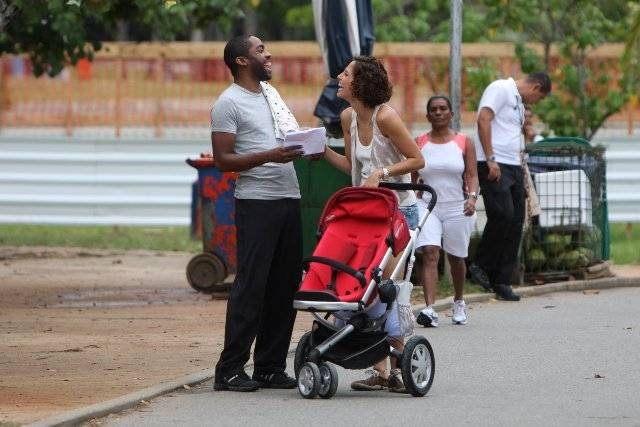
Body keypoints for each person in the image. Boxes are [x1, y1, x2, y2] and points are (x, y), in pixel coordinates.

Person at [323, 56, 424, 393]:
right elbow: (352, 166)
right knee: (359, 289)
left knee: (383, 291)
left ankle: (397, 365)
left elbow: (416, 159)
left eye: (346, 73)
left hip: (398, 215)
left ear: (361, 82)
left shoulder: (386, 117)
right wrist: (320, 151)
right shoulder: (348, 117)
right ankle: (381, 372)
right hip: (365, 218)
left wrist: (384, 172)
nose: (339, 77)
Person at [211, 35, 305, 392]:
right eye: (260, 51)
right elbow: (222, 160)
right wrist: (270, 156)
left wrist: (303, 147)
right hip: (257, 201)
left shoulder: (271, 96)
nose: (269, 55)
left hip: (288, 195)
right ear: (241, 61)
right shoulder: (228, 103)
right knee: (252, 285)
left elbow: (284, 139)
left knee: (284, 285)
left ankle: (269, 366)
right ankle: (231, 369)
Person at [468, 72, 551, 301]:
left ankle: (501, 280)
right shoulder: (501, 88)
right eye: (539, 98)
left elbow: (509, 131)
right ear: (535, 88)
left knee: (516, 222)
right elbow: (483, 119)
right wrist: (491, 158)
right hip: (494, 163)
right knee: (502, 214)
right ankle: (480, 265)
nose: (536, 102)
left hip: (514, 165)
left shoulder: (518, 103)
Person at [412, 95, 478, 327]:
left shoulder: (464, 142)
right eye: (433, 109)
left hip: (457, 206)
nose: (438, 113)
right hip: (428, 205)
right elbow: (412, 175)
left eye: (443, 109)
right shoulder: (419, 141)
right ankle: (429, 309)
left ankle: (458, 301)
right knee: (429, 252)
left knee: (456, 257)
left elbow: (471, 175)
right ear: (428, 115)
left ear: (451, 114)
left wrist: (472, 198)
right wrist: (412, 199)